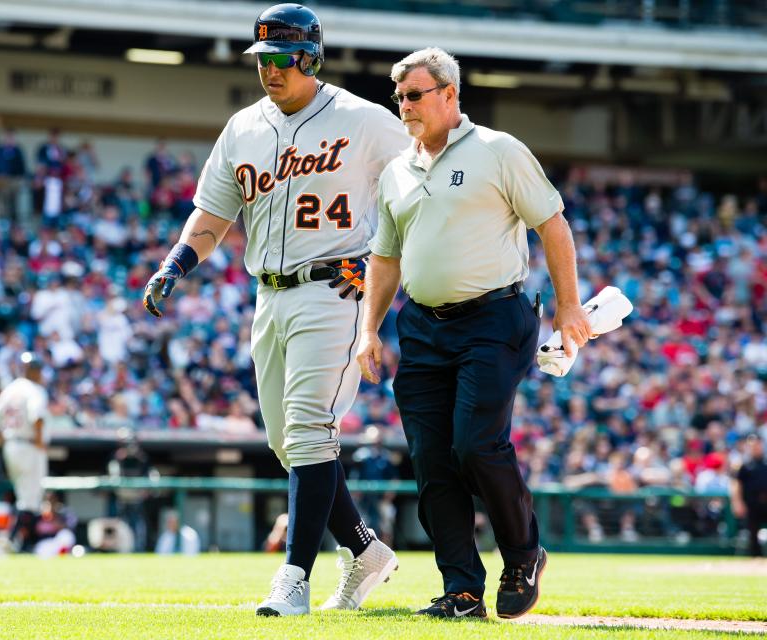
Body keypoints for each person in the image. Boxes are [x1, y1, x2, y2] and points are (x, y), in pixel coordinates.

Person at [142, 3, 409, 616]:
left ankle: (293, 577)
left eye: (282, 58)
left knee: (310, 428)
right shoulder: (243, 127)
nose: (269, 70)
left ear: (311, 58)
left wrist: (383, 259)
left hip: (337, 290)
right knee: (289, 443)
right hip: (268, 293)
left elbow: (423, 178)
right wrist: (174, 264)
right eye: (262, 58)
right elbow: (212, 215)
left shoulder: (363, 120)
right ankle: (366, 551)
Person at [357, 47, 591, 620]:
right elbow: (384, 259)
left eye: (414, 94)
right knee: (432, 461)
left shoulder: (498, 149)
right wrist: (369, 332)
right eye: (399, 95)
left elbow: (551, 224)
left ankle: (523, 553)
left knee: (474, 445)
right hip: (422, 326)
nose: (403, 105)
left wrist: (568, 306)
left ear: (449, 94)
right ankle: (461, 589)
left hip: (494, 318)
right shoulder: (395, 171)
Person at [0, 351, 50, 552]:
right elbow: (37, 417)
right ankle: (15, 539)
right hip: (29, 444)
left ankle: (20, 540)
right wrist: (39, 441)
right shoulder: (34, 390)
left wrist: (3, 441)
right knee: (30, 498)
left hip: (11, 444)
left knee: (23, 494)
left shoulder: (11, 389)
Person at [731, 434, 767, 557]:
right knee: (752, 532)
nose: (756, 447)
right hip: (751, 504)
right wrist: (737, 502)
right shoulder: (744, 465)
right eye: (752, 445)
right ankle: (755, 558)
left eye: (758, 444)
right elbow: (736, 484)